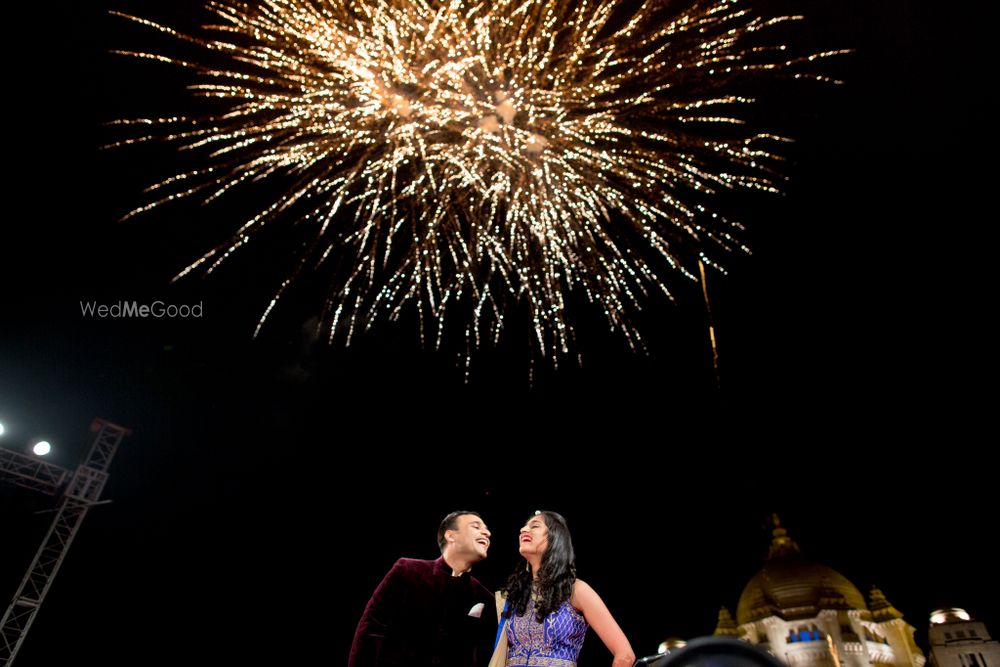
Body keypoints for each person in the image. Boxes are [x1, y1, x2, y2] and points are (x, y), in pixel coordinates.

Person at [348, 510, 497, 667]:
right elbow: (370, 630)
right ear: (450, 536)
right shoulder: (407, 570)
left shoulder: (484, 597)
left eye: (486, 529)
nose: (487, 533)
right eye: (476, 526)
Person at [500, 510, 635, 667]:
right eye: (523, 527)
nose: (523, 529)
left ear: (554, 538)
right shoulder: (514, 596)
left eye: (535, 526)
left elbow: (625, 655)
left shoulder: (576, 590)